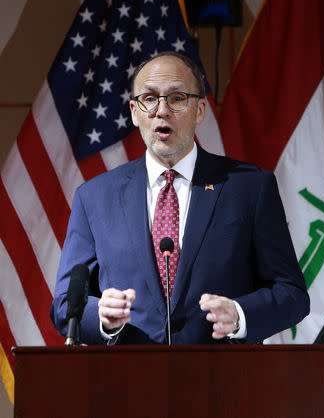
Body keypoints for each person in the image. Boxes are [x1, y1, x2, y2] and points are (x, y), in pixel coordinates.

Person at [51, 51, 310, 345]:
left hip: (225, 381)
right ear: (135, 112)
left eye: (176, 98)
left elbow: (292, 293)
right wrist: (101, 317)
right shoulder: (94, 198)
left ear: (200, 110)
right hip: (127, 382)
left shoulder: (250, 187)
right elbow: (64, 305)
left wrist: (240, 315)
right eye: (149, 99)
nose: (161, 111)